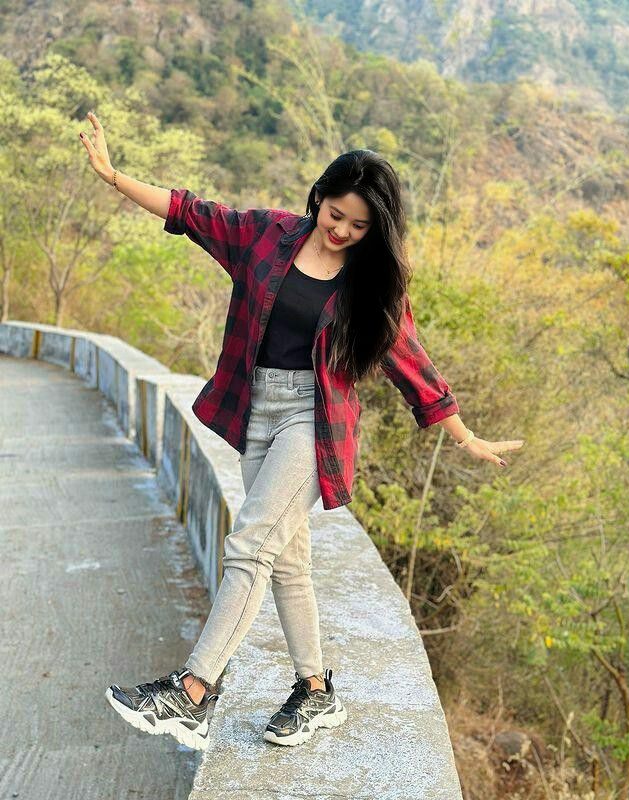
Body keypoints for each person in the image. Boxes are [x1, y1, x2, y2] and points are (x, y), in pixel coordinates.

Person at [80, 111, 524, 751]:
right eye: (335, 215)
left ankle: (193, 692)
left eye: (358, 226)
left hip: (312, 421)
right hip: (256, 407)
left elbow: (411, 362)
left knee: (251, 544)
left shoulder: (370, 287)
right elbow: (191, 212)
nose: (341, 231)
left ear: (376, 230)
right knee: (287, 560)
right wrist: (114, 176)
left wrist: (464, 435)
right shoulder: (267, 236)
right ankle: (316, 691)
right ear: (320, 197)